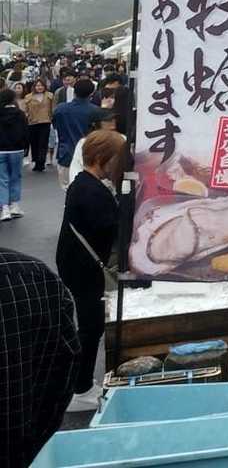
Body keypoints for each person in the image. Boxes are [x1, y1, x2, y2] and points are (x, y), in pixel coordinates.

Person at [57, 129, 125, 411]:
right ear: (101, 157)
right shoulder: (92, 191)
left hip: (76, 264)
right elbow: (116, 228)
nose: (120, 164)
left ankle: (80, 383)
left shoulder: (84, 183)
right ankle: (80, 388)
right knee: (91, 326)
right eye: (117, 159)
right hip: (84, 268)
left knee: (90, 324)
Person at [0, 246, 81, 465]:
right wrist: (30, 444)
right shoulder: (33, 275)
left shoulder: (33, 275)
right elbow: (64, 371)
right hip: (19, 451)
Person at [51, 78, 102, 186]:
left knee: (68, 189)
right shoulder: (96, 111)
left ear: (74, 91)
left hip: (66, 154)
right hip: (89, 157)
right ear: (91, 93)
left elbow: (55, 125)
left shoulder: (61, 109)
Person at [0, 89, 26, 220]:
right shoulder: (20, 114)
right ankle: (14, 206)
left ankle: (4, 208)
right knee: (15, 177)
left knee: (2, 179)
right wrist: (25, 147)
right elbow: (25, 131)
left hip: (1, 150)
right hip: (17, 149)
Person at [24, 77, 54, 172]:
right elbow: (26, 110)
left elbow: (53, 108)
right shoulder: (28, 97)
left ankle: (41, 161)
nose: (39, 87)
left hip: (45, 121)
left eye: (41, 85)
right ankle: (36, 161)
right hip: (32, 122)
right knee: (34, 143)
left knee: (43, 142)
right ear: (34, 87)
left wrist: (52, 118)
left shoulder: (50, 96)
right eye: (37, 85)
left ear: (44, 86)